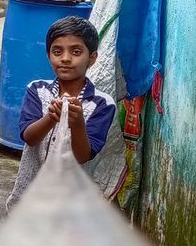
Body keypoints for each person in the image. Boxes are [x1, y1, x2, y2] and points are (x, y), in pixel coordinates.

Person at [7, 16, 116, 208]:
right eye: (57, 51)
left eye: (76, 51)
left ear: (92, 58)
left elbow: (83, 156)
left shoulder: (102, 104)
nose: (65, 58)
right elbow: (29, 137)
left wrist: (78, 123)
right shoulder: (37, 90)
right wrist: (50, 118)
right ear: (49, 55)